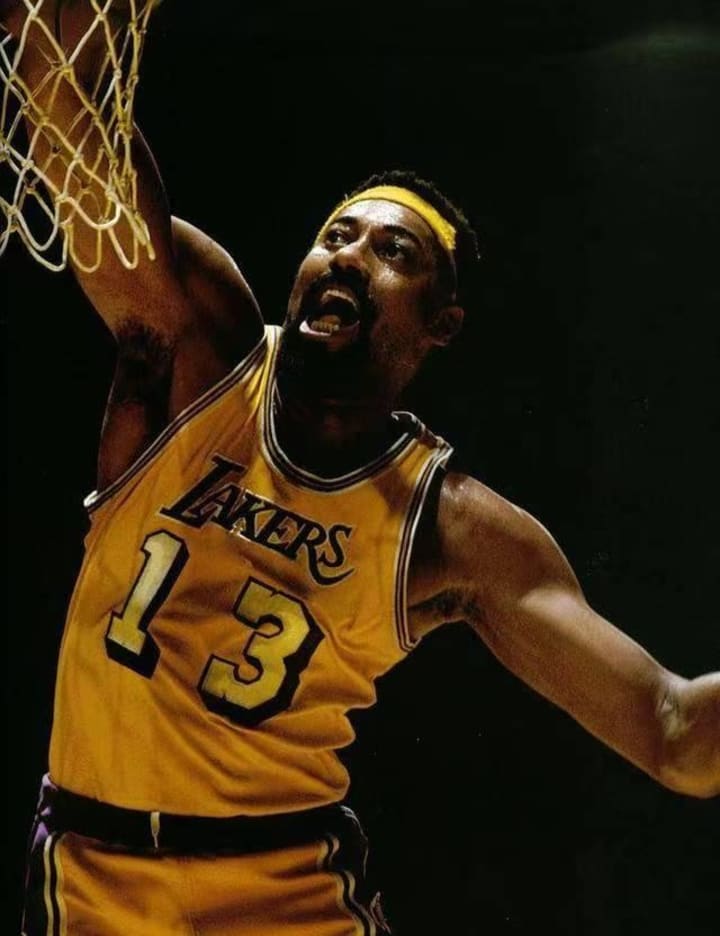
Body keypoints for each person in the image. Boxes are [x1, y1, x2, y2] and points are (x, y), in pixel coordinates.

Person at [4, 3, 719, 935]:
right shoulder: (200, 356)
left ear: (439, 325)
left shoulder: (452, 527)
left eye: (393, 251)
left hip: (284, 889)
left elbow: (672, 731)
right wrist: (55, 44)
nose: (349, 256)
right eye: (336, 235)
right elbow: (81, 154)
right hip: (89, 875)